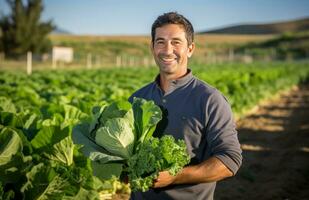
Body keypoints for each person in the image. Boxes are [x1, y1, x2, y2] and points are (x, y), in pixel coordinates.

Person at [128, 12, 242, 200]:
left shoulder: (209, 99)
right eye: (161, 42)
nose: (167, 50)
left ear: (190, 49)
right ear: (152, 47)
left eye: (176, 42)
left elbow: (230, 160)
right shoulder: (137, 98)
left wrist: (175, 176)